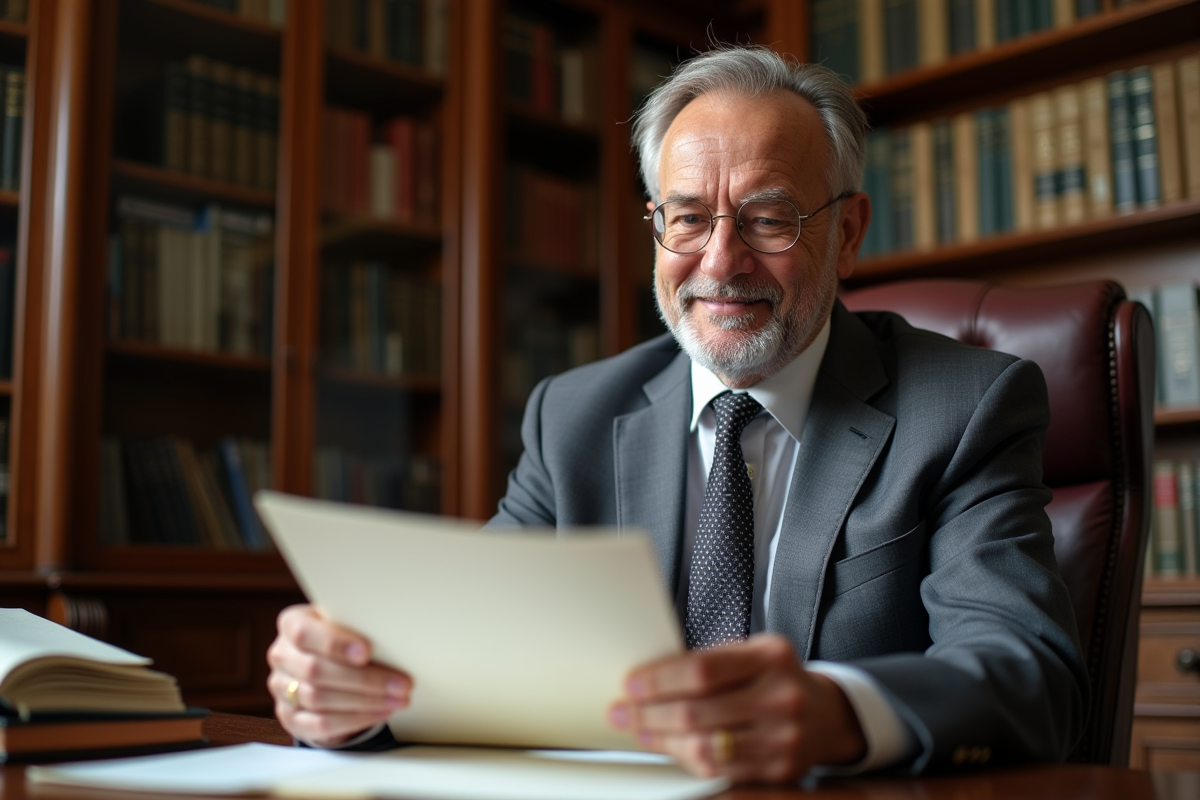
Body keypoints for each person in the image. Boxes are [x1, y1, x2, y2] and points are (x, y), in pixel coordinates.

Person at [267, 44, 1088, 783]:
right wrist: (351, 694)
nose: (721, 262)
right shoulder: (576, 416)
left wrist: (836, 712)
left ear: (846, 233)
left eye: (770, 219)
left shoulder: (965, 407)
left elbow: (1029, 676)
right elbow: (460, 654)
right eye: (688, 217)